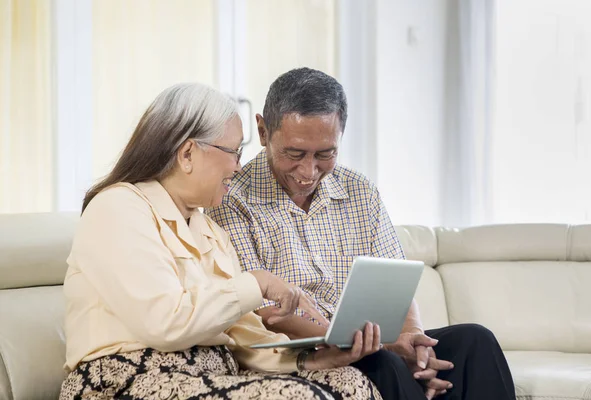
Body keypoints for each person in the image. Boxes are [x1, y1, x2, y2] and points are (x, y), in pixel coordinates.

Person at [59, 83, 390, 400]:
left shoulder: (209, 231)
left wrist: (311, 359)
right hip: (127, 379)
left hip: (211, 376)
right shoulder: (118, 207)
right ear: (188, 153)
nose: (238, 165)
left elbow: (244, 335)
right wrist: (257, 283)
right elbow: (164, 324)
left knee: (350, 382)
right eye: (233, 151)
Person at [206, 67, 517, 400]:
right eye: (294, 154)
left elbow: (398, 283)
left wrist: (413, 342)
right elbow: (265, 315)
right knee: (383, 363)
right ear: (264, 131)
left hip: (374, 343)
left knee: (474, 342)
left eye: (325, 154)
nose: (309, 171)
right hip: (308, 352)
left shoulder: (359, 190)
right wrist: (376, 345)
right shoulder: (231, 198)